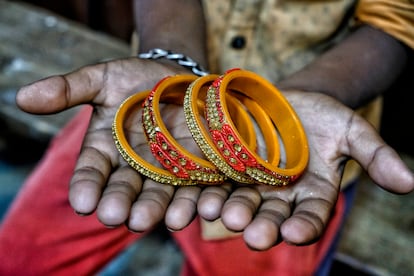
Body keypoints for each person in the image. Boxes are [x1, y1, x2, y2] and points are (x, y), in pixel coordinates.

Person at [1, 0, 413, 275]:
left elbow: (396, 19)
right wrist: (168, 53)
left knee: (259, 248)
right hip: (150, 116)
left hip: (296, 150)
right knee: (20, 255)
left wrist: (308, 97)